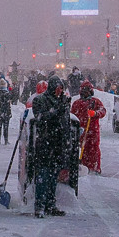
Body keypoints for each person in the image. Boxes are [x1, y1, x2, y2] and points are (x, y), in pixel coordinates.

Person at [31, 77, 72, 218]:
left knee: (54, 177)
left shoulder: (62, 102)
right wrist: (55, 112)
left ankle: (50, 204)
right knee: (43, 175)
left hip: (58, 145)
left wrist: (67, 141)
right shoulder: (40, 100)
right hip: (45, 143)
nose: (60, 91)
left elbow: (66, 123)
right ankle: (40, 206)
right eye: (58, 88)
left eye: (62, 88)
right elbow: (39, 118)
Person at [71, 80, 106, 174]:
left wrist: (95, 113)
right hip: (81, 131)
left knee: (93, 150)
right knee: (81, 149)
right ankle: (83, 167)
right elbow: (72, 116)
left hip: (93, 131)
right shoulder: (76, 103)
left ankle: (94, 167)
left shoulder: (95, 102)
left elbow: (103, 111)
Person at [0, 79, 14, 145]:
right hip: (6, 112)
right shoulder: (7, 94)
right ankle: (6, 140)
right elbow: (10, 102)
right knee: (6, 127)